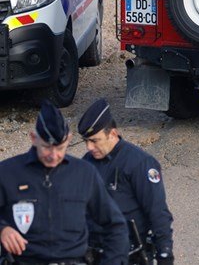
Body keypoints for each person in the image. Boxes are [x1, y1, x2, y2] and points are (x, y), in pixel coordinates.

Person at [0, 101, 128, 265]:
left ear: (69, 139)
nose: (53, 155)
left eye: (60, 148)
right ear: (33, 138)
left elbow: (115, 225)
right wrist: (3, 229)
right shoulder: (7, 172)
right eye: (47, 147)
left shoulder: (84, 173)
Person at [78, 99, 174, 265]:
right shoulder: (87, 162)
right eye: (86, 141)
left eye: (94, 140)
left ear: (113, 134)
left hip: (129, 254)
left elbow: (157, 212)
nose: (89, 147)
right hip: (93, 252)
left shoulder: (139, 163)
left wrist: (165, 254)